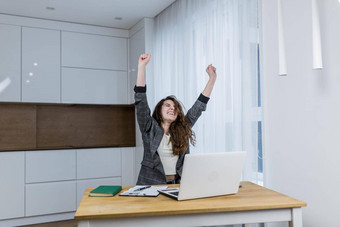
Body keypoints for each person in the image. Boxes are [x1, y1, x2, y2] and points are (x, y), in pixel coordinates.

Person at [134, 53, 217, 185]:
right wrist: (141, 67)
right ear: (159, 111)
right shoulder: (149, 127)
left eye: (175, 107)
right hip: (150, 183)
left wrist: (212, 78)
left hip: (177, 184)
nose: (172, 108)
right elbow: (140, 100)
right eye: (167, 105)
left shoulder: (183, 128)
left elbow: (199, 107)